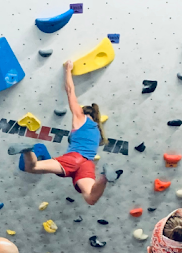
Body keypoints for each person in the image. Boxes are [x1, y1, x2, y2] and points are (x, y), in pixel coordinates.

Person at [8, 60, 118, 206]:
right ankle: (104, 178)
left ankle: (28, 151)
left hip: (74, 158)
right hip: (87, 164)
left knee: (32, 167)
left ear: (84, 111)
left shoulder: (81, 117)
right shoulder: (97, 131)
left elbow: (70, 90)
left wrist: (68, 70)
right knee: (91, 198)